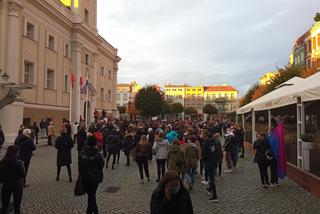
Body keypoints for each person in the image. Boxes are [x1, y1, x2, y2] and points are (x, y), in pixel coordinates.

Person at [79, 136, 104, 214]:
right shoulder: (97, 154)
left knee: (91, 195)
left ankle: (95, 212)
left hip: (85, 177)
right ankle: (89, 212)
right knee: (92, 195)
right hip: (94, 178)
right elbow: (101, 165)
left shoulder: (82, 152)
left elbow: (80, 164)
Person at [0, 145, 25, 214]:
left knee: (4, 206)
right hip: (17, 186)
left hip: (6, 186)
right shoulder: (18, 163)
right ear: (16, 152)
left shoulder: (2, 162)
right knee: (17, 206)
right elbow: (22, 174)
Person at [203, 130, 222, 202]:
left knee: (211, 179)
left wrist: (205, 161)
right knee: (212, 177)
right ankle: (210, 189)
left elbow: (204, 154)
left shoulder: (206, 143)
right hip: (214, 161)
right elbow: (215, 151)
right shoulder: (214, 142)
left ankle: (215, 196)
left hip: (208, 162)